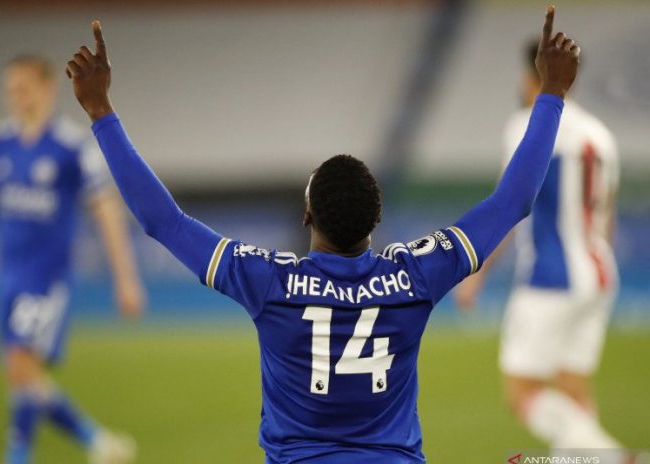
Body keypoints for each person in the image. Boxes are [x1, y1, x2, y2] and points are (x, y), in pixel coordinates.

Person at [66, 7, 578, 463]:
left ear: (307, 217)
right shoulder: (416, 275)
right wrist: (552, 94)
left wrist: (101, 112)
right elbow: (514, 201)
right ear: (376, 220)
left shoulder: (268, 281)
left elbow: (164, 221)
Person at [0, 54, 145, 464]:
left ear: (46, 88)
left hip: (47, 279)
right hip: (9, 279)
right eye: (10, 90)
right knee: (21, 374)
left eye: (23, 88)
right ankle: (96, 441)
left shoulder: (70, 146)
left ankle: (18, 455)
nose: (15, 97)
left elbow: (106, 210)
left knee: (22, 364)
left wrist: (125, 279)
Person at [455, 37, 625, 452]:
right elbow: (608, 216)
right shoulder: (600, 135)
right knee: (573, 392)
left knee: (522, 392)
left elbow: (512, 206)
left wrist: (477, 273)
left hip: (551, 276)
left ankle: (609, 456)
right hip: (600, 273)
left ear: (532, 76)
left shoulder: (527, 124)